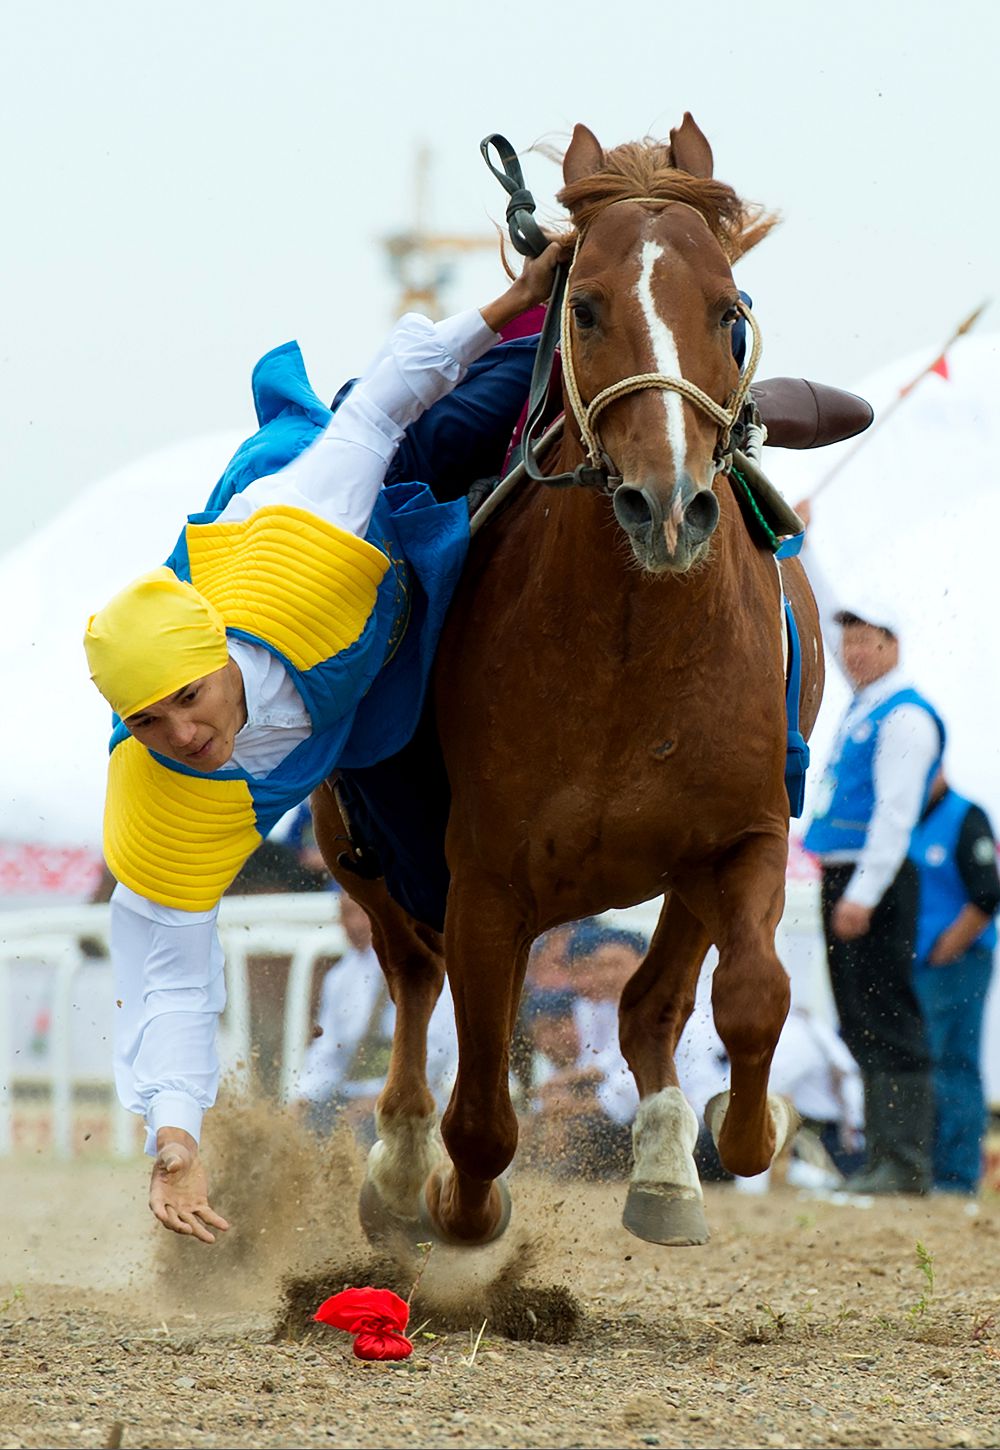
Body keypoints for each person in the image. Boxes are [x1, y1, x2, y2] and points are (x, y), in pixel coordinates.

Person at [82, 240, 568, 1244]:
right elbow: (168, 971)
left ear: (215, 652)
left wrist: (517, 298)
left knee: (516, 389)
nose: (185, 735)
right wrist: (175, 1134)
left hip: (337, 542)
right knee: (431, 906)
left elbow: (383, 398)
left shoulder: (310, 520)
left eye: (188, 700)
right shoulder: (162, 799)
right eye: (150, 724)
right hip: (358, 692)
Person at [796, 498, 944, 1194]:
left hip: (873, 882)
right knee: (860, 1019)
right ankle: (885, 1161)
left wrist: (859, 896)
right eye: (848, 639)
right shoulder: (866, 704)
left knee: (889, 1018)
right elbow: (820, 603)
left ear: (894, 645)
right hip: (846, 877)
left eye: (867, 639)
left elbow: (894, 816)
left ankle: (904, 1165)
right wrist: (800, 541)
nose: (853, 651)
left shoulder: (905, 714)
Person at [293, 894, 458, 1142]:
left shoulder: (424, 966)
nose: (354, 924)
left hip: (416, 1099)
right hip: (351, 1098)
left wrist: (383, 1097)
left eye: (361, 913)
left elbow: (438, 1049)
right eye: (346, 914)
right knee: (305, 1132)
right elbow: (328, 1052)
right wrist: (301, 1098)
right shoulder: (338, 978)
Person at [909, 769, 1000, 1195]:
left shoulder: (966, 816)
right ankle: (926, 1170)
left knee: (953, 1065)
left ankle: (956, 1175)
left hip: (958, 960)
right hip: (921, 963)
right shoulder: (906, 818)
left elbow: (987, 893)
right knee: (927, 1065)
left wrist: (948, 945)